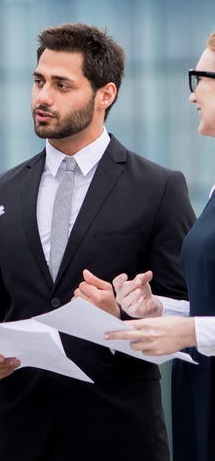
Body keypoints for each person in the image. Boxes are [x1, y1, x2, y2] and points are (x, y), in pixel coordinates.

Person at [0, 23, 194, 461]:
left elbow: (186, 309)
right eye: (39, 81)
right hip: (20, 434)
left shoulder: (159, 189)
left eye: (62, 85)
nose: (43, 97)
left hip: (120, 437)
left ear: (106, 94)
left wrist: (121, 315)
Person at [105, 30, 215, 460]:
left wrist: (188, 332)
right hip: (201, 394)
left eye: (201, 77)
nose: (192, 96)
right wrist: (156, 311)